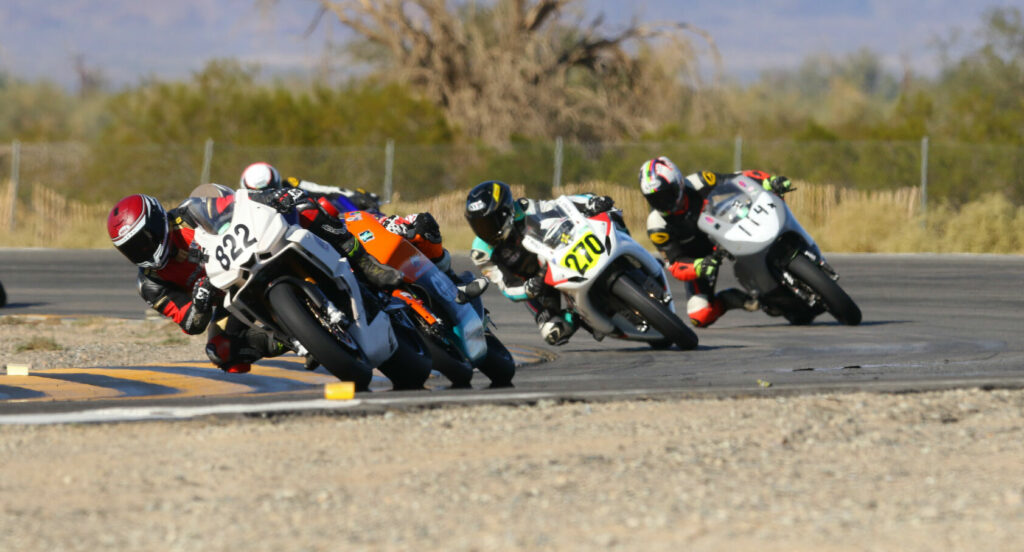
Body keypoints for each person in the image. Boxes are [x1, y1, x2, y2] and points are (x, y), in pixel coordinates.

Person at [106, 187, 402, 373]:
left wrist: (272, 197)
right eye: (131, 249)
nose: (142, 251)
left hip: (255, 250)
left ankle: (363, 261)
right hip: (227, 298)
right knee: (221, 351)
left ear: (158, 221)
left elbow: (236, 203)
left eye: (143, 241)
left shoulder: (189, 214)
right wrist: (199, 300)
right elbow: (190, 324)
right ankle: (304, 339)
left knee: (305, 208)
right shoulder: (150, 284)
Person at [240, 162, 486, 302]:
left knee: (418, 225)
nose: (273, 192)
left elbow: (331, 191)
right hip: (307, 250)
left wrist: (358, 198)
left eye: (273, 187)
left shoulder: (293, 186)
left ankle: (454, 284)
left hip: (344, 226)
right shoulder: (247, 208)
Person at [639, 156, 794, 327]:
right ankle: (733, 300)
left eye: (667, 194)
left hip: (727, 227)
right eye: (655, 199)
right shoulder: (656, 225)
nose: (663, 202)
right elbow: (675, 264)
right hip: (702, 258)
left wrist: (768, 181)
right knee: (700, 316)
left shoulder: (699, 182)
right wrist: (699, 266)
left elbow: (737, 179)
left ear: (679, 183)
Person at [464, 180, 616, 346]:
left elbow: (558, 206)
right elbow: (506, 287)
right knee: (554, 332)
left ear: (505, 212)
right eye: (479, 225)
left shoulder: (523, 207)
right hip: (537, 285)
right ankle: (580, 315)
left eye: (489, 223)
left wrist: (589, 202)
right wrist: (527, 289)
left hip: (557, 256)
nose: (485, 230)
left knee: (610, 219)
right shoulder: (481, 253)